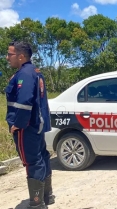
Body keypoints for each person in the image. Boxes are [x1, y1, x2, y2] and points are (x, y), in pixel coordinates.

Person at [5, 41, 55, 208]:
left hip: (26, 127)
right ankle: (47, 196)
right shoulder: (35, 71)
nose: (7, 58)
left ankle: (37, 203)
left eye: (9, 54)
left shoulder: (25, 74)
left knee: (32, 162)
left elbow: (24, 102)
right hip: (37, 125)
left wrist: (17, 124)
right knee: (42, 157)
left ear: (21, 56)